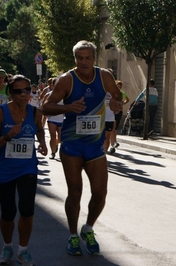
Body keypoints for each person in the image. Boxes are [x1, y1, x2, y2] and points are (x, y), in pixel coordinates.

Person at [41, 40, 122, 256]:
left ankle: (88, 229)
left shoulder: (104, 76)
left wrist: (116, 102)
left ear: (94, 59)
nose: (84, 62)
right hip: (72, 145)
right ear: (75, 58)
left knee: (100, 193)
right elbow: (45, 107)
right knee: (75, 192)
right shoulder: (67, 80)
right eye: (80, 58)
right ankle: (73, 236)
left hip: (94, 146)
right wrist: (68, 107)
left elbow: (117, 95)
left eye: (88, 58)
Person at [0, 74, 47, 265]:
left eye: (27, 90)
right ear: (10, 93)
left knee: (27, 209)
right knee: (8, 212)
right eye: (18, 91)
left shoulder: (35, 112)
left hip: (27, 167)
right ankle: (7, 246)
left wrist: (43, 143)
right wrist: (8, 136)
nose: (23, 94)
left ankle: (23, 250)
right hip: (4, 169)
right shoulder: (0, 112)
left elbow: (39, 129)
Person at [42, 78, 64, 160]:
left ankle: (56, 145)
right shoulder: (49, 95)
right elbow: (43, 106)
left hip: (61, 119)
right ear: (52, 85)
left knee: (61, 138)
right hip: (52, 119)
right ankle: (53, 152)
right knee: (53, 136)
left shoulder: (64, 95)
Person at [109, 80, 130, 152]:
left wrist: (122, 103)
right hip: (111, 112)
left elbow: (127, 99)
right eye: (117, 86)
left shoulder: (122, 93)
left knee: (114, 128)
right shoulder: (111, 93)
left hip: (119, 111)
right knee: (112, 127)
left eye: (120, 87)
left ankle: (114, 142)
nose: (119, 88)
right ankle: (113, 143)